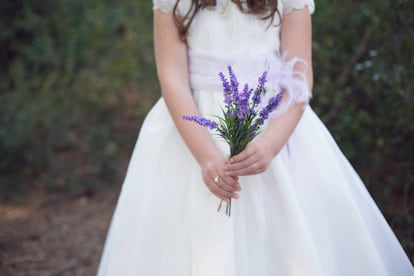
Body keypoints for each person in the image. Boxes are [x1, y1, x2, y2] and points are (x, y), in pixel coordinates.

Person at [97, 0, 414, 275]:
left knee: (285, 240)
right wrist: (205, 154)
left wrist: (271, 142)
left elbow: (300, 75)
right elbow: (172, 76)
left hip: (273, 124)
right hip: (192, 126)